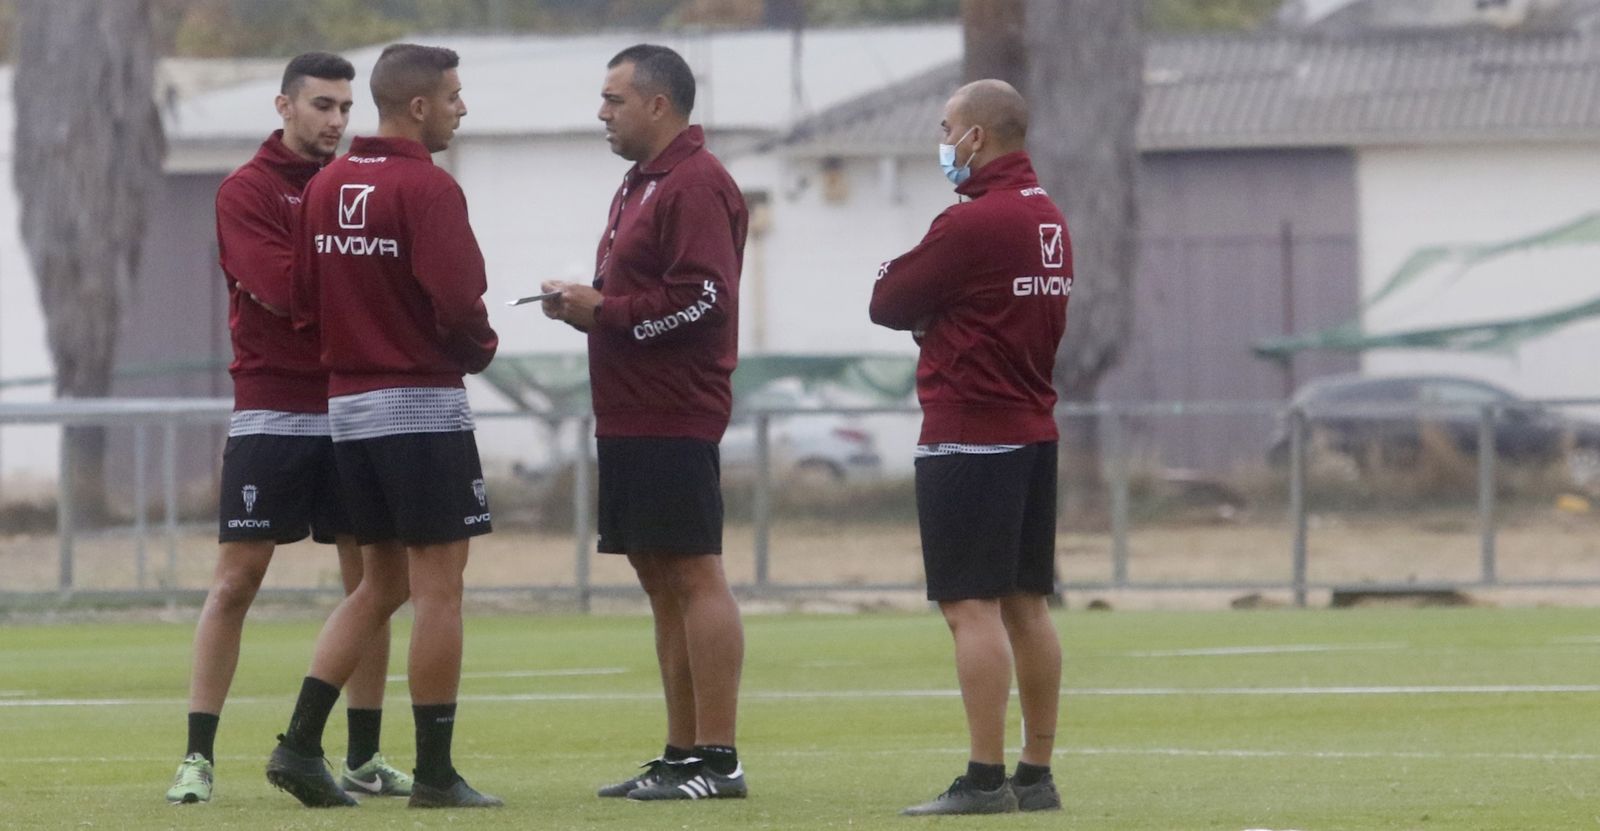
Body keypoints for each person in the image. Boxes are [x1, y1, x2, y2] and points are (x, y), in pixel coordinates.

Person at [165, 52, 412, 806]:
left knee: (368, 583)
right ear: (284, 107)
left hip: (352, 405)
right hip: (274, 408)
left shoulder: (358, 188)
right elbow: (278, 288)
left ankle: (364, 756)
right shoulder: (246, 189)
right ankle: (197, 757)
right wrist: (363, 292)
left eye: (345, 107)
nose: (337, 121)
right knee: (236, 580)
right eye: (322, 106)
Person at [266, 43, 500, 810]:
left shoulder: (327, 184)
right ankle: (435, 771)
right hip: (421, 408)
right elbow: (462, 302)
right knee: (439, 590)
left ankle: (299, 745)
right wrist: (478, 351)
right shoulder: (428, 190)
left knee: (378, 585)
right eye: (456, 95)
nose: (463, 107)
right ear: (420, 106)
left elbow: (303, 297)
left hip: (348, 409)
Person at [541, 43, 749, 802]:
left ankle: (719, 759)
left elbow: (705, 300)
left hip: (675, 408)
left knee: (694, 571)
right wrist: (588, 308)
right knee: (661, 581)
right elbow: (644, 298)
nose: (602, 113)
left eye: (614, 99)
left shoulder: (696, 183)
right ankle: (681, 751)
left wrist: (611, 312)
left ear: (658, 104)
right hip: (628, 408)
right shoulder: (640, 184)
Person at [868, 79, 1068, 816]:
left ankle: (984, 778)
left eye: (947, 126)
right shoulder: (1048, 216)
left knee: (969, 607)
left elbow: (887, 298)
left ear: (977, 137)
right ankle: (1035, 772)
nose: (943, 138)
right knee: (1026, 603)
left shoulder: (973, 222)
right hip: (1032, 427)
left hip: (968, 433)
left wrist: (931, 316)